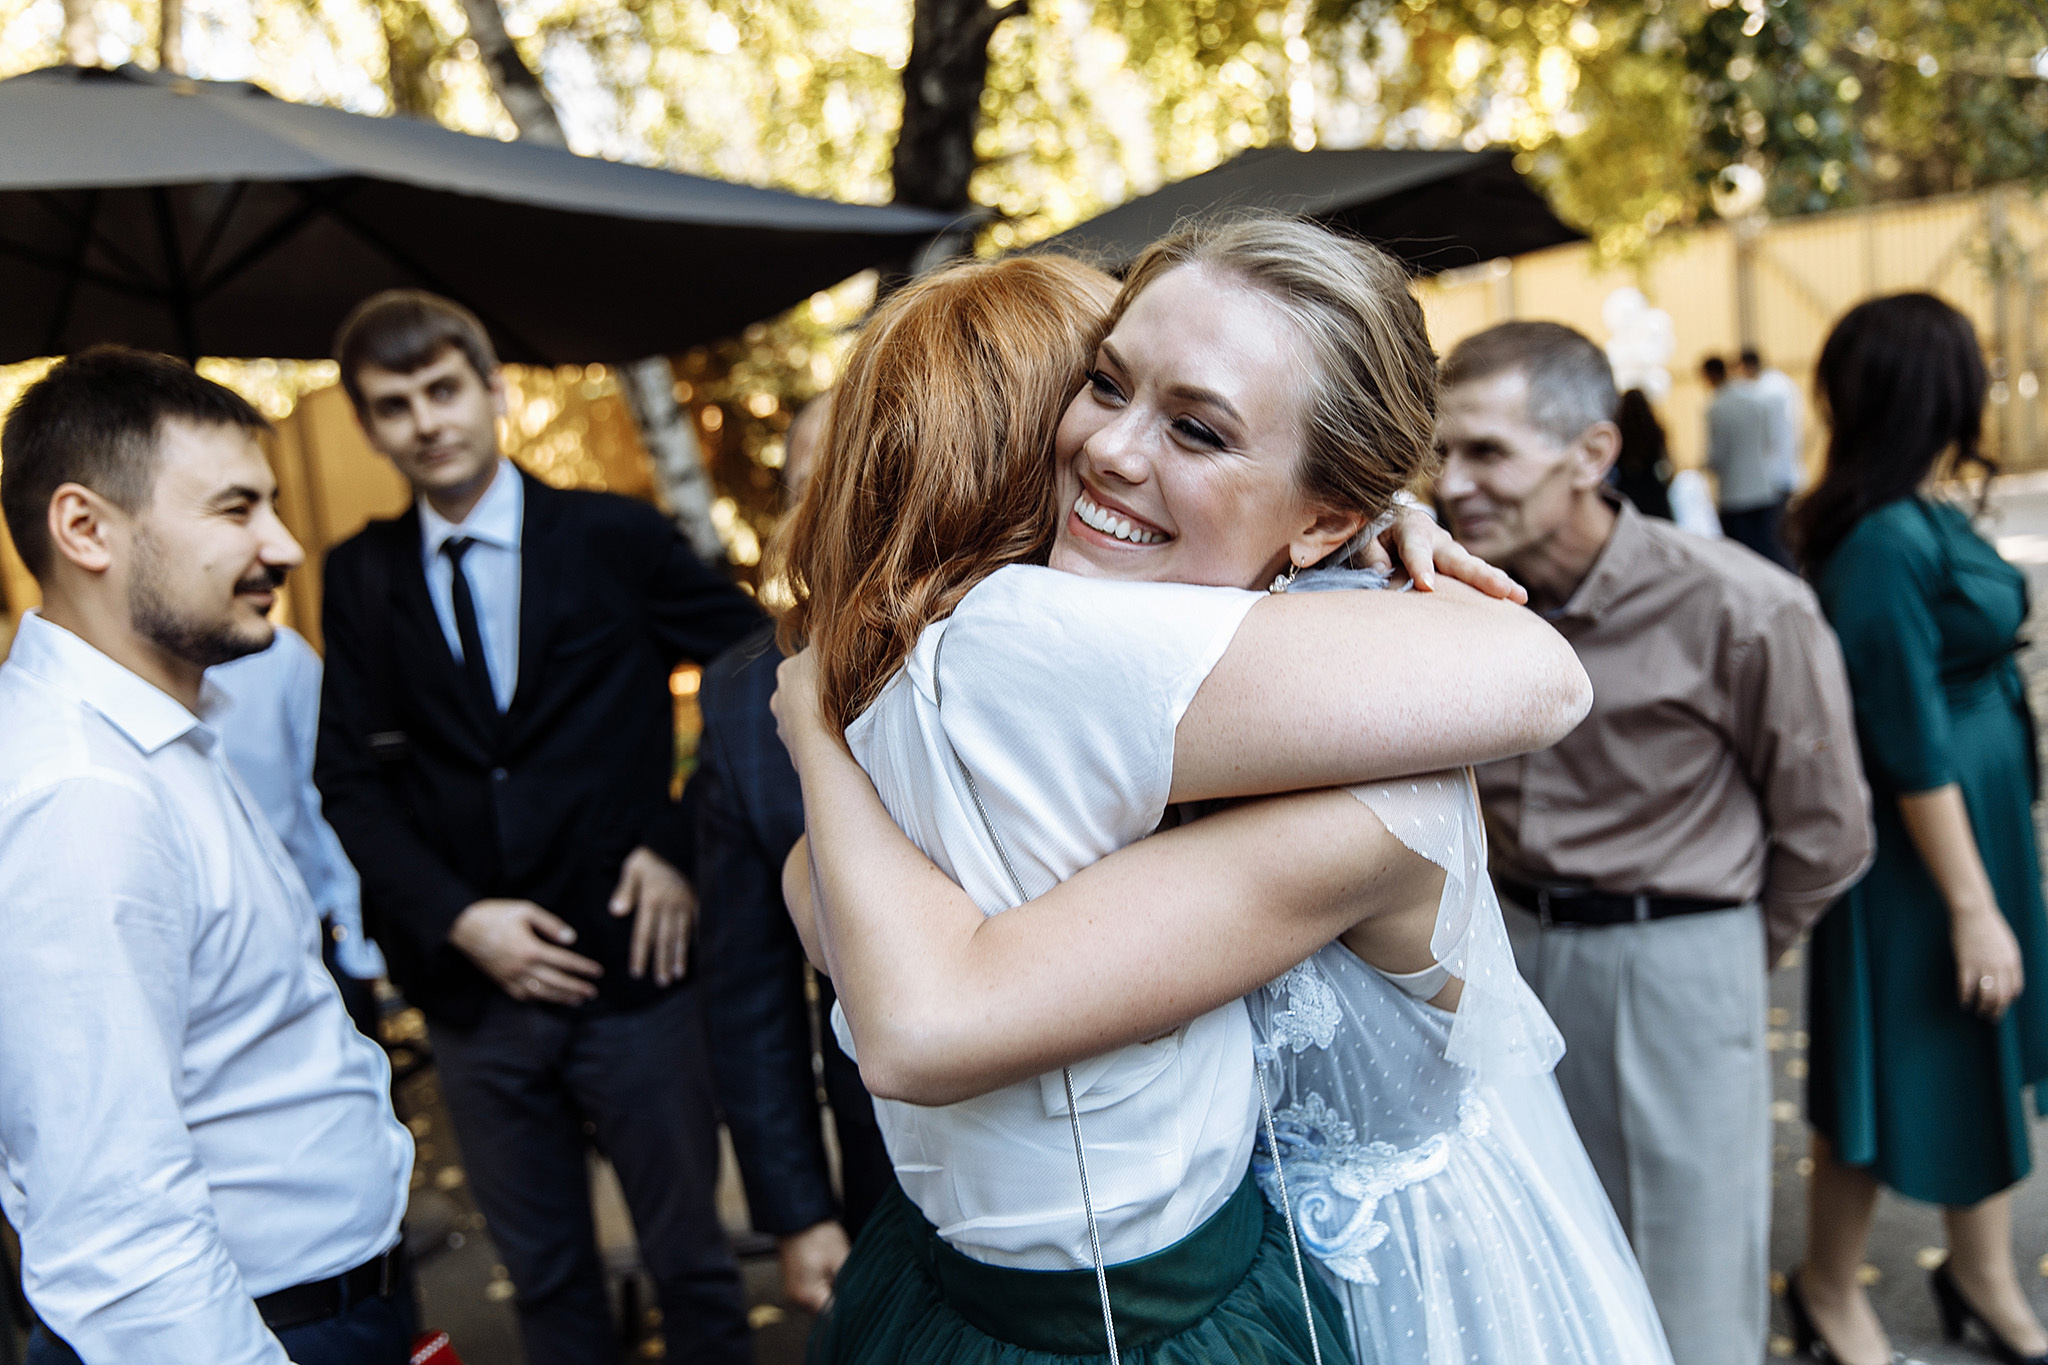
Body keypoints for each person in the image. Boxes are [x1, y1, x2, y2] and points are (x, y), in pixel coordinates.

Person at [776, 225, 1669, 1365]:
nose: (1104, 446)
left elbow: (912, 1005)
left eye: (1197, 428)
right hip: (1210, 1256)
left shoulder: (1357, 778)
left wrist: (812, 726)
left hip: (1390, 1285)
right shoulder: (1093, 649)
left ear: (1323, 516)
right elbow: (826, 902)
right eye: (1103, 384)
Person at [313, 291, 762, 1363]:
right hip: (474, 1000)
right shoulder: (361, 575)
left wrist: (680, 844)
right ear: (369, 426)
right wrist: (460, 920)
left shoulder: (612, 535)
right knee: (549, 1284)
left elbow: (761, 673)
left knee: (693, 1268)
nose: (425, 421)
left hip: (634, 976)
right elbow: (345, 782)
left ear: (493, 393)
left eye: (442, 390)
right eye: (393, 405)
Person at [1434, 320, 1874, 1365]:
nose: (1451, 483)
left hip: (1673, 959)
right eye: (1440, 450)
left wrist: (1715, 955)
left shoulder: (1740, 604)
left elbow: (1826, 827)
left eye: (1486, 452)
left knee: (1685, 1287)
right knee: (1527, 1266)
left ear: (1589, 455)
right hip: (1499, 949)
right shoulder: (1442, 595)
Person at [0, 347, 416, 1364]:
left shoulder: (160, 730)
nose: (284, 545)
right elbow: (113, 1219)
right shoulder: (83, 797)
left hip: (322, 1303)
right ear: (85, 528)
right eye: (236, 511)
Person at [1787, 293, 2048, 1365]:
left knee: (1973, 1043)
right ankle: (1820, 1291)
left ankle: (1981, 1275)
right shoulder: (1882, 542)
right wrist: (1972, 906)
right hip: (1919, 853)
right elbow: (1900, 737)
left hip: (1972, 832)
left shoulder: (1919, 509)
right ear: (1926, 388)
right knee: (1886, 1063)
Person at [695, 393, 894, 1313]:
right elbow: (749, 986)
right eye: (809, 485)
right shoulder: (742, 697)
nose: (833, 508)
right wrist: (796, 1207)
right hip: (878, 1153)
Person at [210, 624, 385, 1040]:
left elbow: (328, 794)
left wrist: (356, 939)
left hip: (314, 935)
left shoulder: (278, 655)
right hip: (209, 961)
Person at [1702, 354, 1792, 567]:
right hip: (1763, 487)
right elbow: (1770, 440)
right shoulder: (1755, 400)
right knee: (1770, 551)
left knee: (1743, 560)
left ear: (1709, 376)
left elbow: (1718, 455)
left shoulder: (1716, 408)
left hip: (1734, 495)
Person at [1740, 346, 1805, 499]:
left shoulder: (1766, 390)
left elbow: (1767, 435)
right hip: (1786, 466)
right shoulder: (1779, 382)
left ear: (1747, 366)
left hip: (1776, 472)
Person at [1611, 387, 1673, 519]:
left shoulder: (1618, 434)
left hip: (1627, 494)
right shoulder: (1655, 431)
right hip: (1653, 492)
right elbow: (1667, 465)